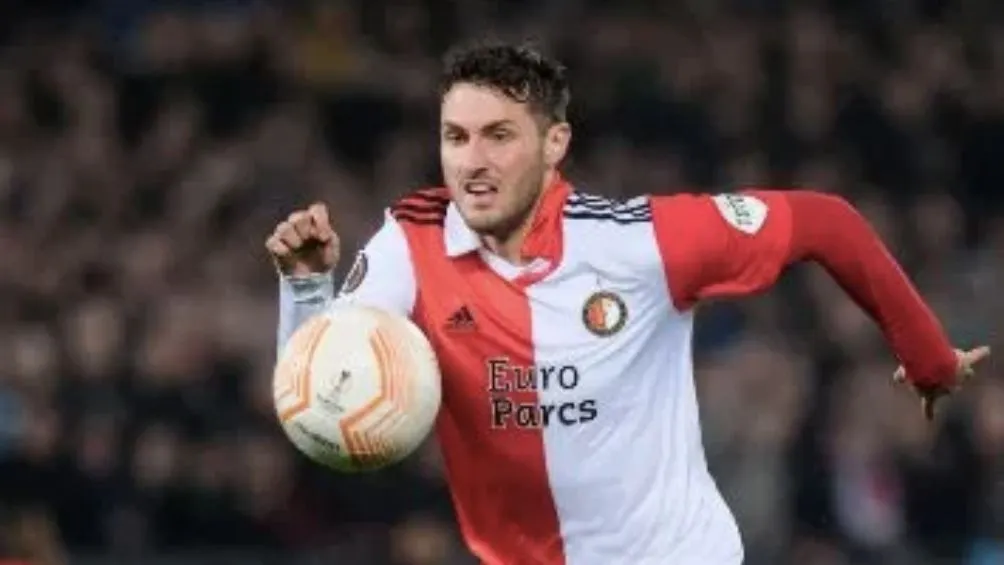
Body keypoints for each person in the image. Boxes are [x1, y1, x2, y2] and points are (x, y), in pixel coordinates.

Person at [266, 41, 989, 565]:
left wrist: (928, 357)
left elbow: (826, 221)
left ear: (555, 145)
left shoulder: (642, 244)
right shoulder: (411, 241)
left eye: (498, 136)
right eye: (455, 137)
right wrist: (305, 287)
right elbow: (323, 404)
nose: (471, 161)